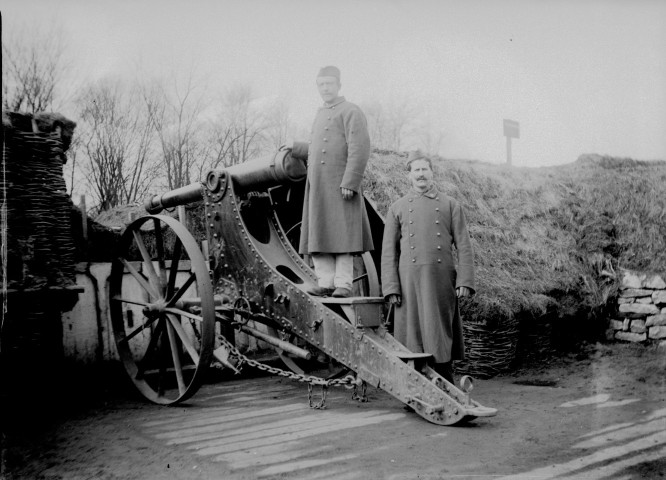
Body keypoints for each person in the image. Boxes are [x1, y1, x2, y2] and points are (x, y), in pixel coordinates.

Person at [380, 151, 475, 383]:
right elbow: (389, 253)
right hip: (408, 282)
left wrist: (465, 281)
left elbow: (464, 246)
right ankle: (413, 387)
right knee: (411, 335)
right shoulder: (397, 208)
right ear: (409, 175)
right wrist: (391, 287)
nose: (421, 174)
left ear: (432, 172)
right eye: (416, 170)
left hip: (440, 279)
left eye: (424, 169)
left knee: (439, 331)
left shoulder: (451, 205)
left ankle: (445, 381)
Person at [299, 66, 374, 298]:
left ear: (339, 85)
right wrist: (295, 147)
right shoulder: (320, 113)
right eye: (321, 84)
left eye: (329, 84)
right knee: (318, 233)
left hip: (341, 185)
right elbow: (317, 147)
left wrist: (350, 182)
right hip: (318, 186)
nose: (325, 88)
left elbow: (360, 148)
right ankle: (326, 282)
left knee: (343, 236)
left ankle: (343, 283)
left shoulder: (351, 111)